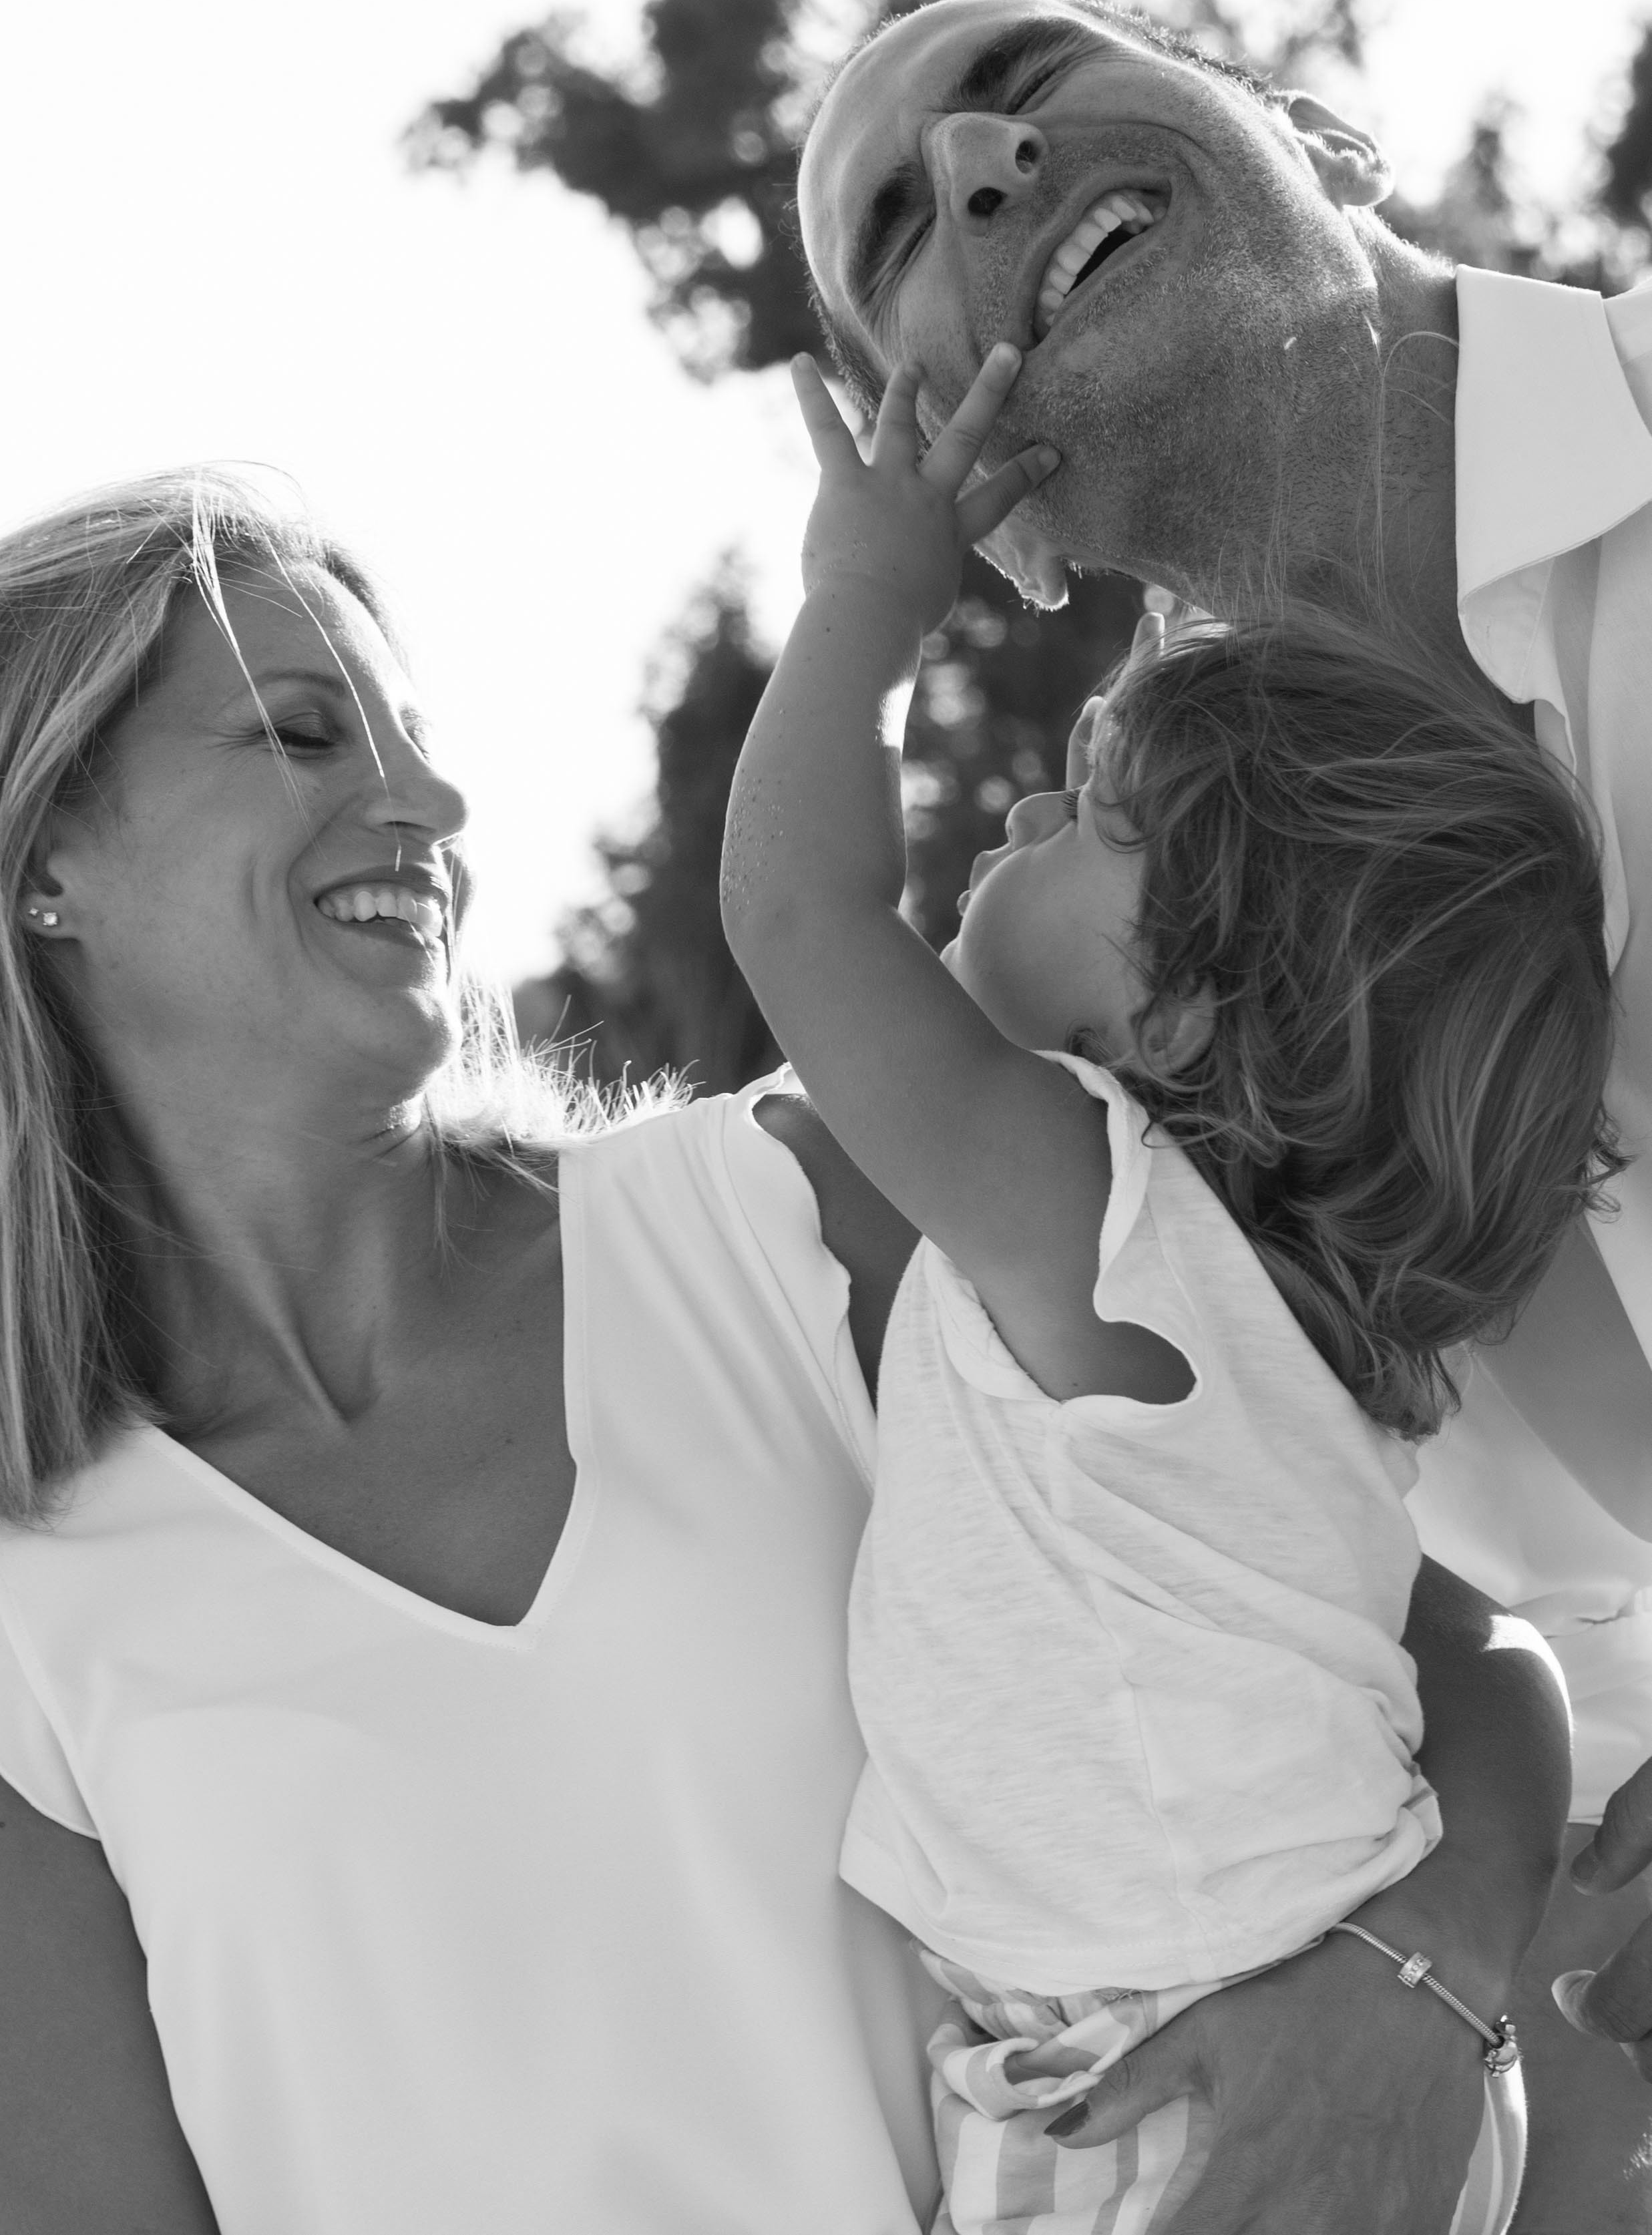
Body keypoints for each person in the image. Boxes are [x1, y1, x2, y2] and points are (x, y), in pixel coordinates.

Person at [0, 468, 1571, 2234]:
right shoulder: (33, 1611)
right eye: (299, 734)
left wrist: (1414, 1988)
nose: (427, 801)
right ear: (46, 857)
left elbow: (1437, 1641)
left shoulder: (802, 1214)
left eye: (417, 740)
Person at [796, 0, 1652, 2226]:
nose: (979, 164)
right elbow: (1420, 1632)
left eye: (1028, 77)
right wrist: (1436, 1958)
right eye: (891, 216)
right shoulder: (1127, 1056)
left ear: (1308, 130)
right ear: (977, 503)